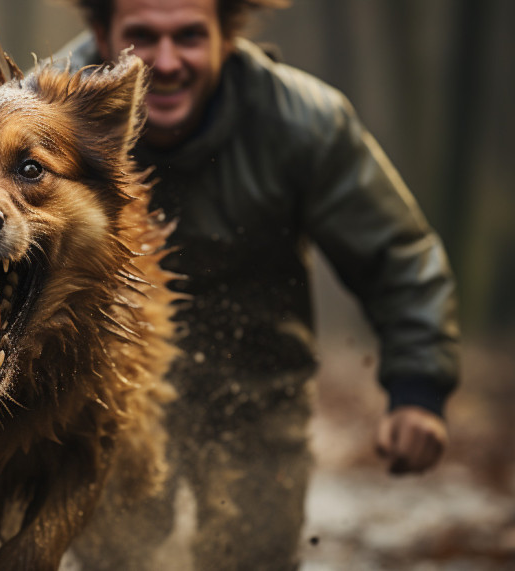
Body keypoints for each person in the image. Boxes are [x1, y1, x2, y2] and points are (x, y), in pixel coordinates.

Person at [58, 0, 460, 569]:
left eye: (190, 36)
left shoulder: (303, 123)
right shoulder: (40, 120)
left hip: (258, 393)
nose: (165, 62)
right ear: (100, 33)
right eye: (142, 37)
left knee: (253, 557)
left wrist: (418, 389)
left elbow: (397, 256)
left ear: (229, 36)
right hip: (103, 402)